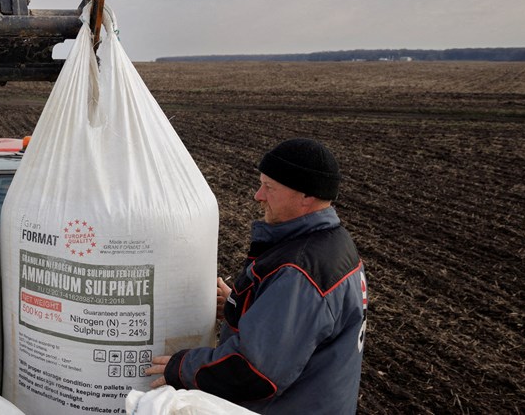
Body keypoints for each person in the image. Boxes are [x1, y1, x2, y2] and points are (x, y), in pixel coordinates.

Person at [146, 138, 367, 413]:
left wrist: (182, 367)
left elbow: (254, 371)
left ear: (306, 196)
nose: (258, 195)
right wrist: (244, 307)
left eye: (269, 187)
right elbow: (301, 326)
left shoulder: (300, 273)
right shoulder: (335, 244)